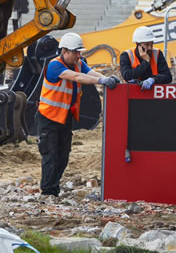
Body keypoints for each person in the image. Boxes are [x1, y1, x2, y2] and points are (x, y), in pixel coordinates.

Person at [36, 32, 119, 197]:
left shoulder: (78, 63)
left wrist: (105, 78)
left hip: (64, 117)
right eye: (76, 52)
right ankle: (48, 192)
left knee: (63, 155)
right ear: (65, 51)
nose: (79, 55)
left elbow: (90, 73)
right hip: (49, 118)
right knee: (50, 156)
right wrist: (101, 81)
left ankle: (53, 188)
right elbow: (76, 77)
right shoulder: (55, 65)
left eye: (79, 52)